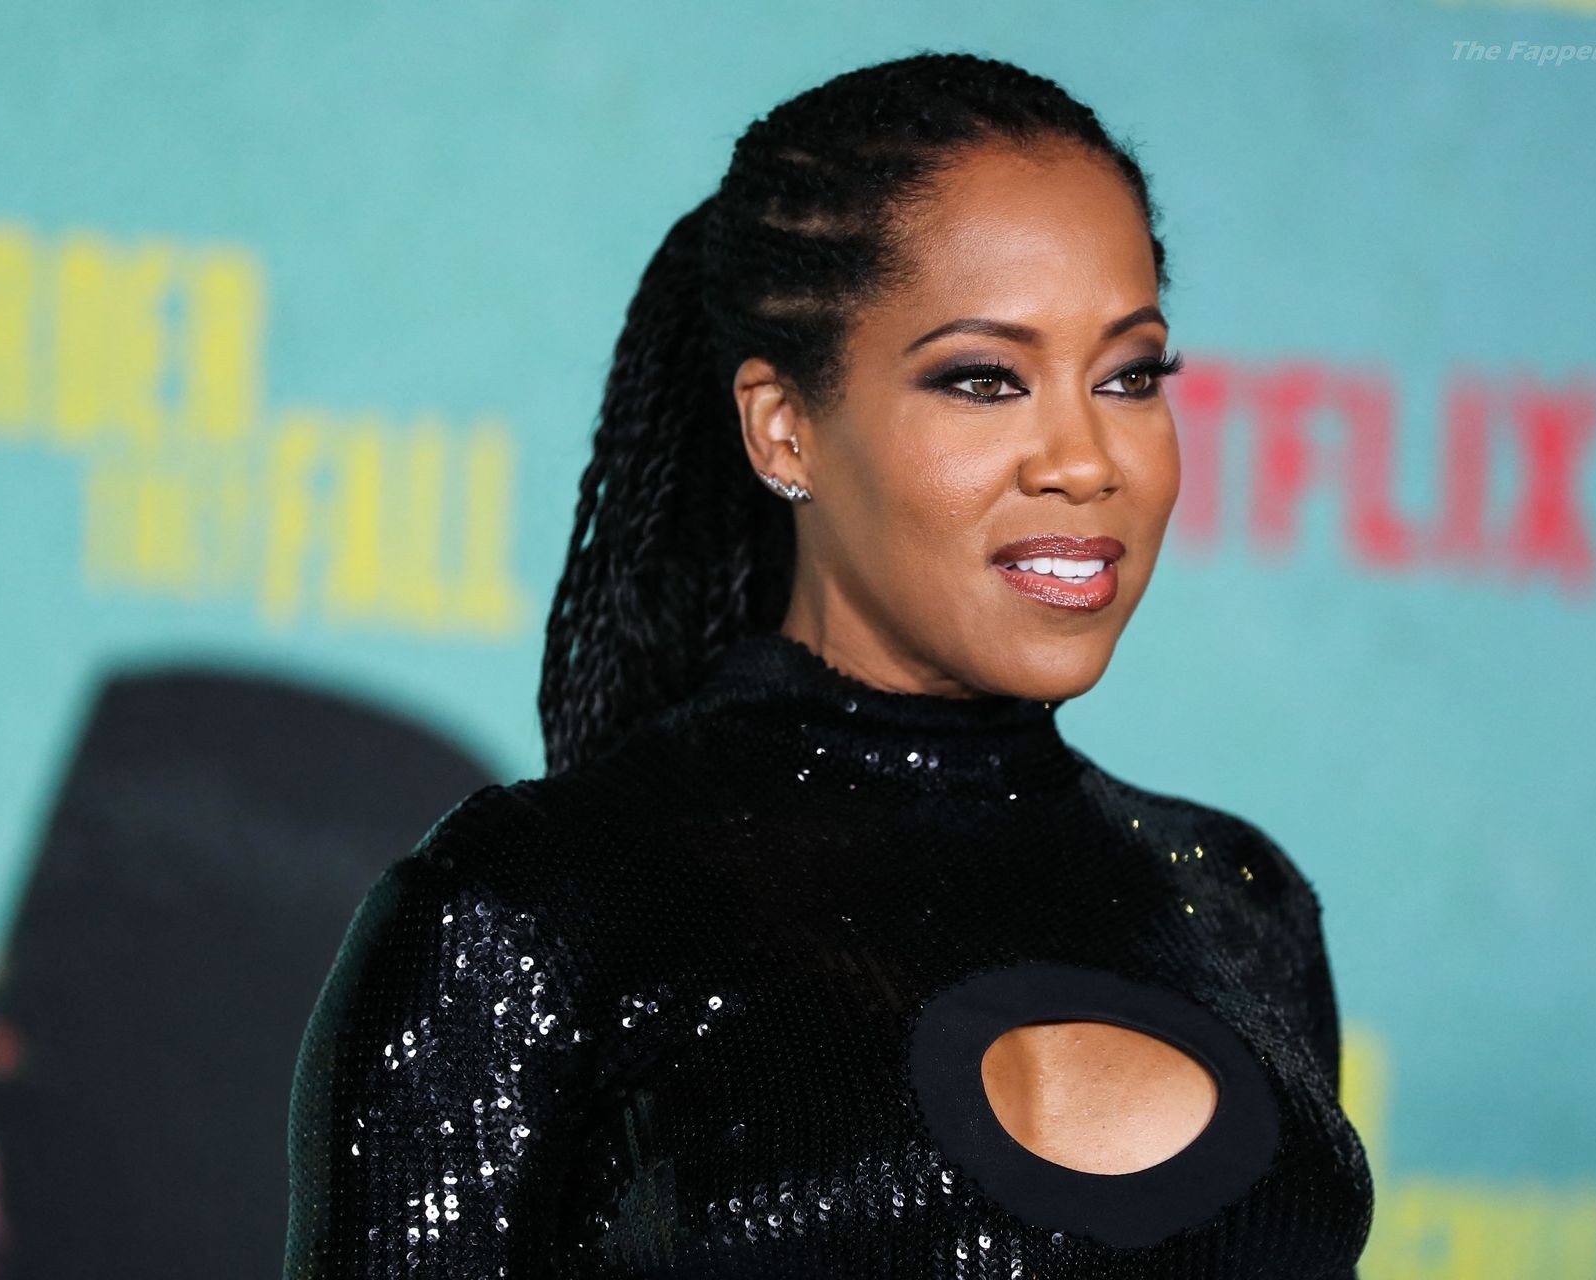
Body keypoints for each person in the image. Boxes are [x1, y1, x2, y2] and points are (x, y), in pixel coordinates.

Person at [283, 50, 1372, 1279]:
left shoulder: (1238, 905)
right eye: (984, 379)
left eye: (1128, 375)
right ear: (784, 426)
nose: (1085, 459)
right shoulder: (533, 906)